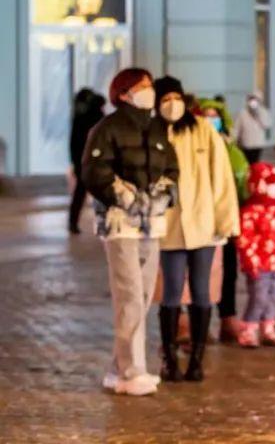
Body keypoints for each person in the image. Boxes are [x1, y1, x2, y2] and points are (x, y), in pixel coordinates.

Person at [81, 68, 179, 396]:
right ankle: (131, 369)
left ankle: (117, 368)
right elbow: (94, 171)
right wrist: (123, 195)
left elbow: (171, 167)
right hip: (120, 222)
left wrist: (162, 193)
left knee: (144, 293)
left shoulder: (156, 128)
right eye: (142, 87)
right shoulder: (106, 128)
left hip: (152, 222)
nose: (148, 91)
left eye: (150, 86)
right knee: (129, 295)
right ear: (124, 93)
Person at [154, 77, 240, 383]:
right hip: (169, 226)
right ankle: (169, 358)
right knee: (172, 292)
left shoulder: (203, 130)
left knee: (202, 292)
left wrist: (226, 220)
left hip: (205, 225)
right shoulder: (153, 132)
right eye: (166, 98)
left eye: (177, 96)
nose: (172, 103)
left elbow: (222, 178)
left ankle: (197, 359)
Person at [196, 97, 251, 343]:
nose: (210, 120)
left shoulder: (232, 151)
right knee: (198, 272)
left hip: (225, 219)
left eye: (214, 115)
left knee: (228, 271)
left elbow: (242, 182)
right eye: (205, 115)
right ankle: (197, 323)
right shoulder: (190, 147)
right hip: (198, 221)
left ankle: (227, 318)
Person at [236, 162, 275, 347]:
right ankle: (249, 328)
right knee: (259, 295)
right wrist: (251, 261)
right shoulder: (250, 211)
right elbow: (244, 239)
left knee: (272, 295)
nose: (274, 188)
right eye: (270, 183)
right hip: (259, 264)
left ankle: (268, 327)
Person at [69, 88, 106, 234]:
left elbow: (74, 143)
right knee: (102, 193)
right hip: (93, 161)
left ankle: (73, 222)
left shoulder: (81, 117)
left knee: (82, 193)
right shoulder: (96, 116)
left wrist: (75, 162)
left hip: (84, 161)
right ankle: (104, 222)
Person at [235, 92, 272, 164]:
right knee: (246, 163)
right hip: (245, 144)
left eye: (255, 99)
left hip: (257, 144)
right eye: (251, 99)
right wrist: (235, 140)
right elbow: (237, 128)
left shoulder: (263, 112)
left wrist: (258, 112)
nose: (253, 102)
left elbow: (266, 125)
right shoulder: (242, 113)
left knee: (255, 163)